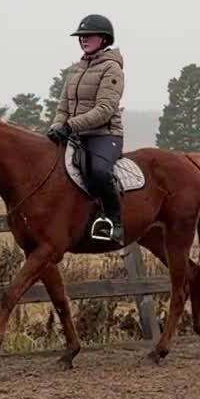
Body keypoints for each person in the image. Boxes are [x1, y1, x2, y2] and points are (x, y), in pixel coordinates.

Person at [47, 13, 126, 244]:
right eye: (81, 36)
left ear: (104, 39)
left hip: (105, 135)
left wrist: (70, 125)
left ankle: (114, 221)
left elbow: (104, 109)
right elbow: (63, 106)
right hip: (75, 134)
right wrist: (57, 126)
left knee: (98, 171)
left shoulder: (112, 69)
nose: (83, 39)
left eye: (88, 35)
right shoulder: (76, 70)